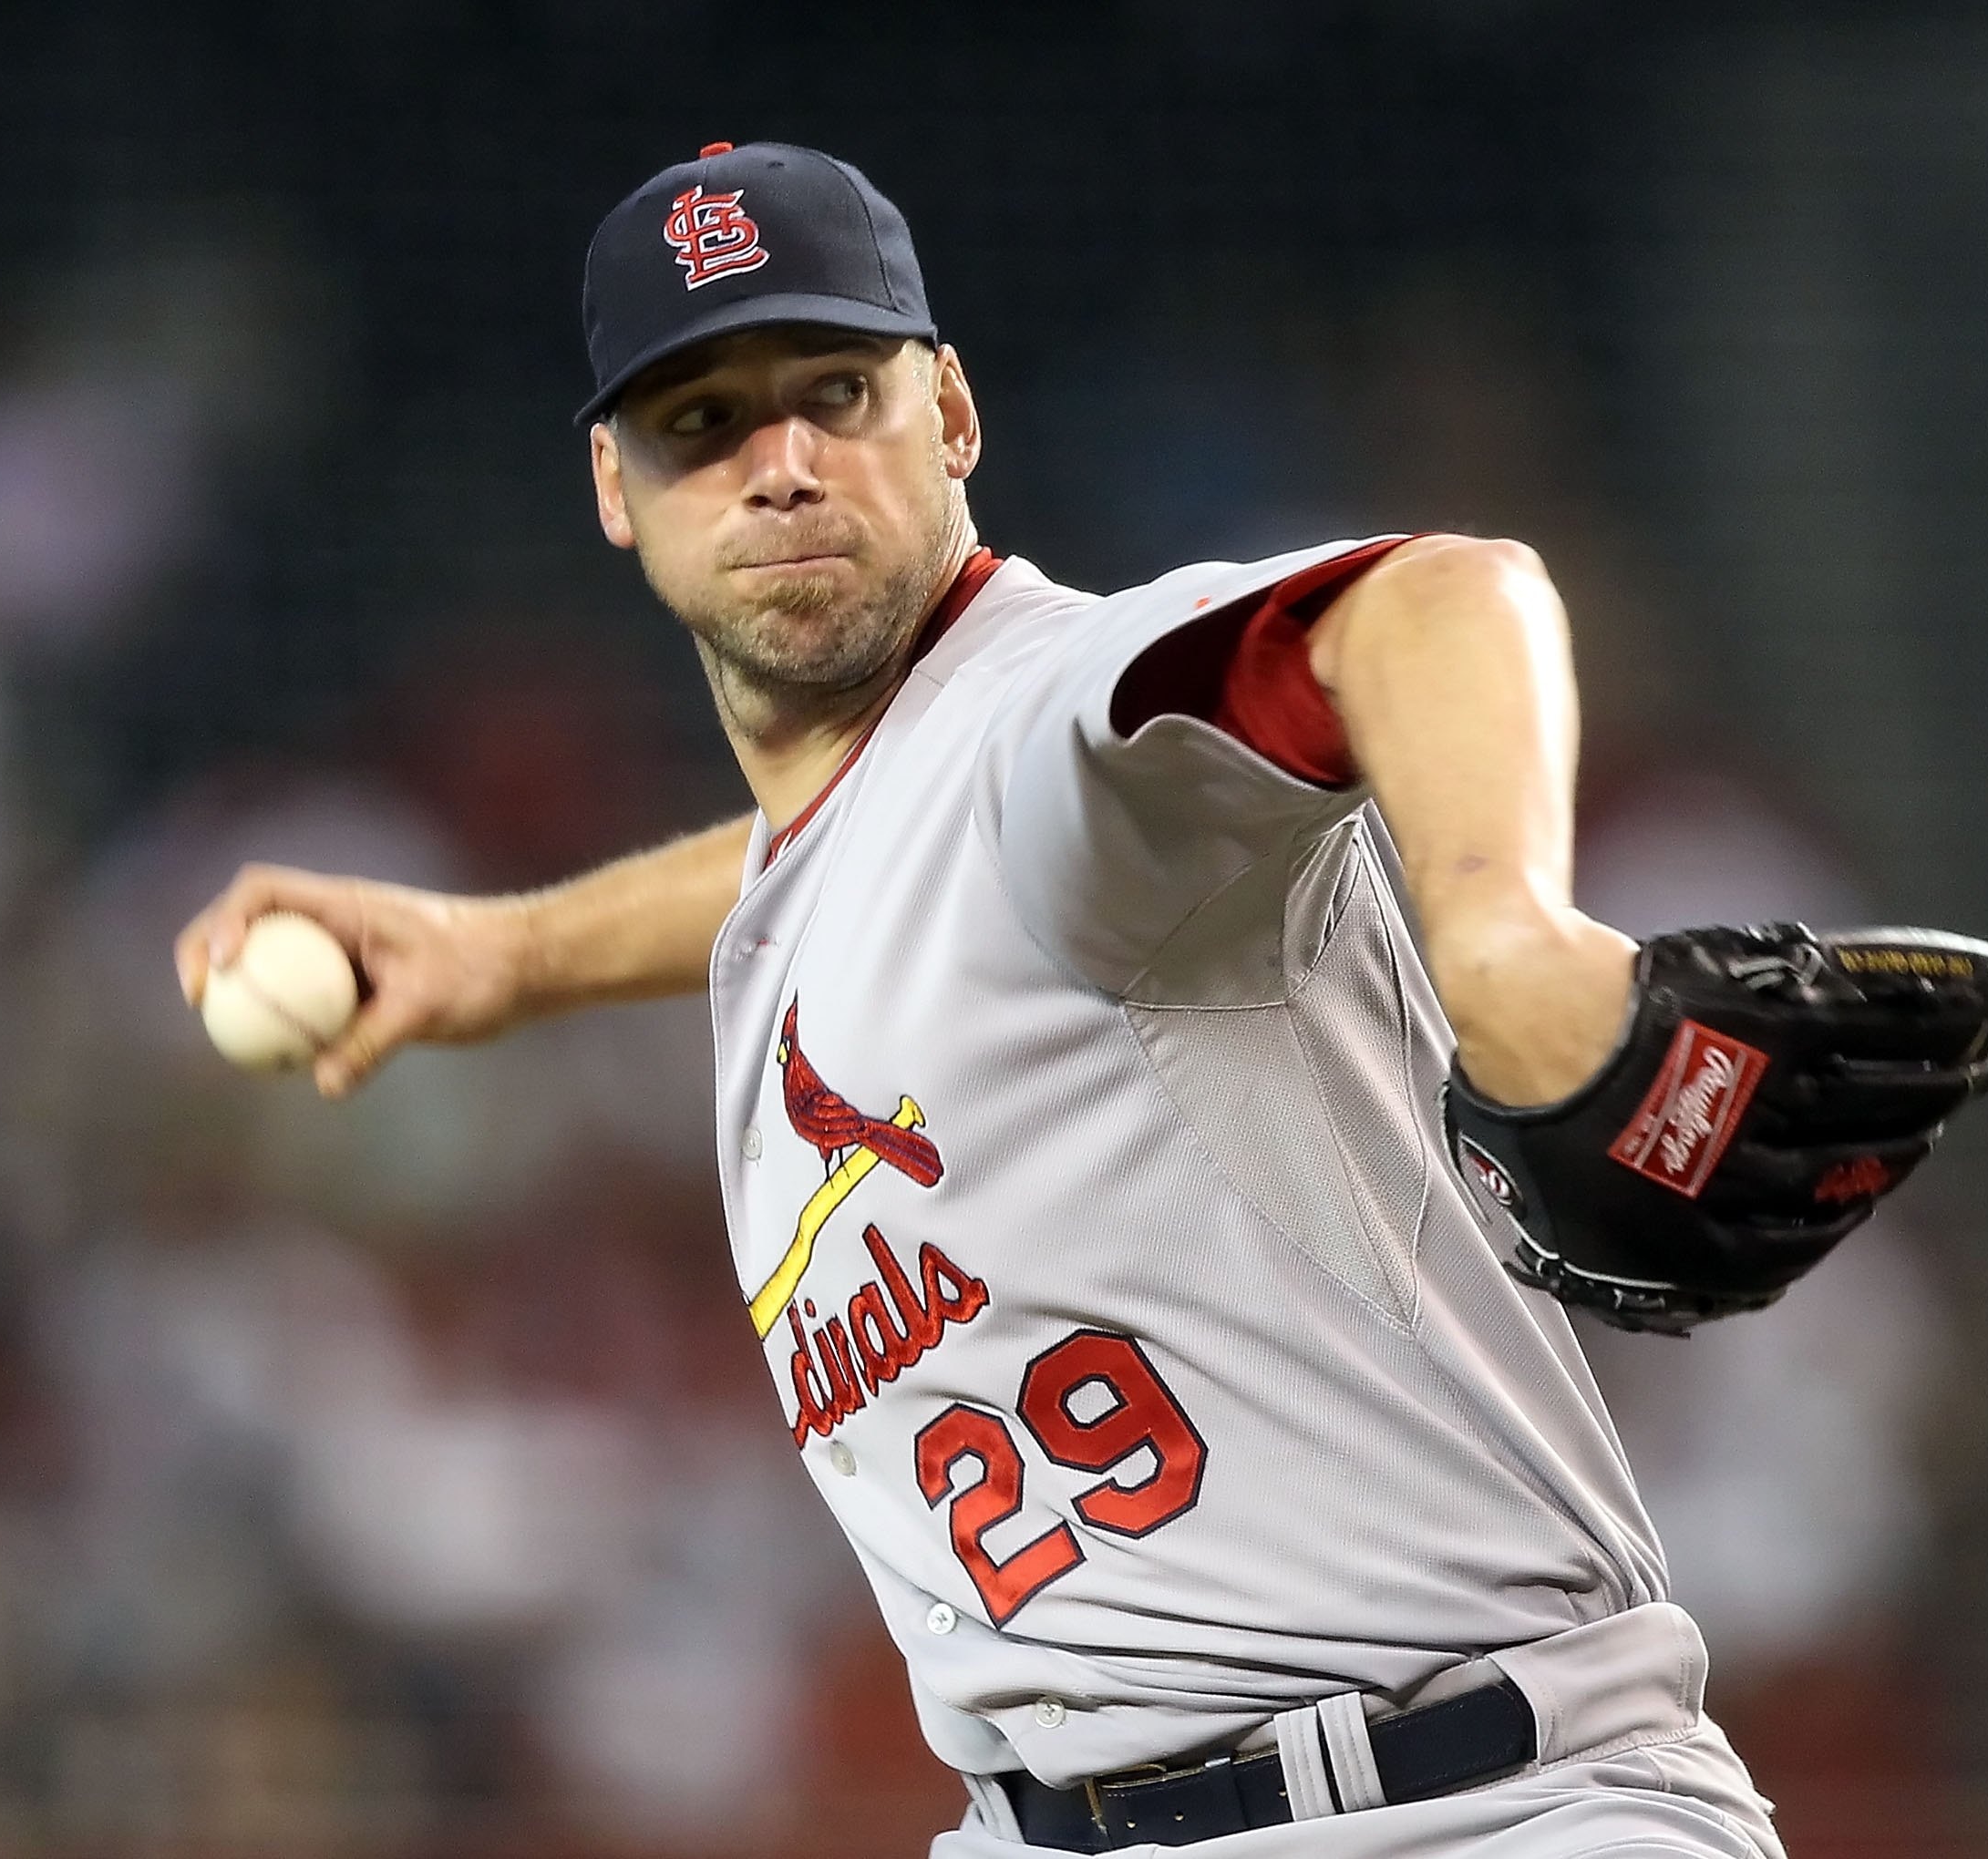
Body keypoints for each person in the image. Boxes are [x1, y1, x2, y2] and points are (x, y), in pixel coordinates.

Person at [179, 141, 1783, 1857]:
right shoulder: (867, 845)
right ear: (613, 488)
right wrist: (507, 956)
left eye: (834, 392)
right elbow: (820, 862)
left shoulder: (1058, 726)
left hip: (1477, 1808)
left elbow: (1432, 598)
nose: (778, 467)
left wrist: (1502, 934)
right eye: (700, 425)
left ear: (949, 413)